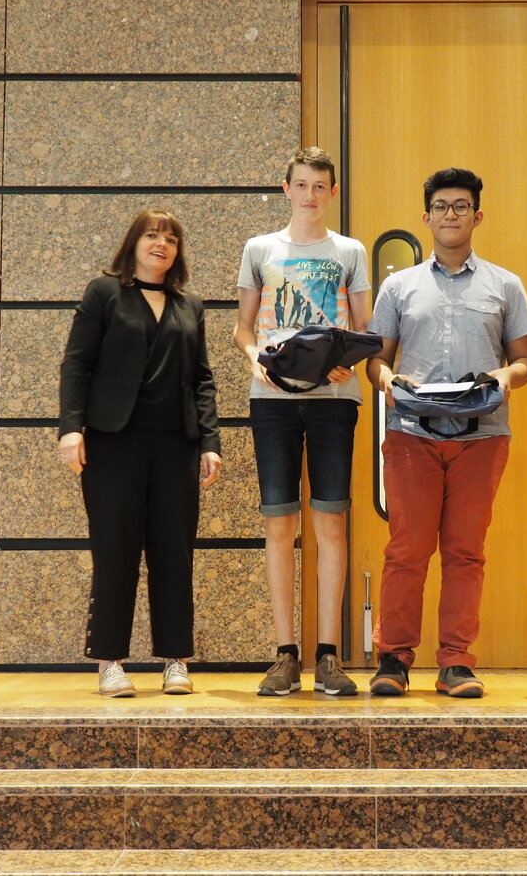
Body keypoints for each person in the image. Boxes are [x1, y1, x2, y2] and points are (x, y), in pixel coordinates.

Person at [365, 167, 527, 698]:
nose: (450, 215)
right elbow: (376, 361)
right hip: (410, 433)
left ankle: (456, 663)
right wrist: (388, 381)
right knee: (406, 550)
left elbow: (526, 361)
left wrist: (505, 376)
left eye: (461, 206)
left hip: (482, 436)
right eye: (441, 206)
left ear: (477, 216)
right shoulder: (398, 286)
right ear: (426, 216)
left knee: (465, 552)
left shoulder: (506, 285)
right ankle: (393, 659)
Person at [58, 208, 221, 697]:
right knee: (115, 550)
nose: (161, 244)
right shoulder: (104, 292)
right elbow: (76, 364)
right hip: (113, 442)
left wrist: (209, 442)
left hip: (176, 444)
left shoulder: (190, 304)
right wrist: (71, 430)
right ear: (134, 243)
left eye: (171, 238)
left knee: (174, 553)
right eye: (152, 235)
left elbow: (202, 378)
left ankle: (176, 661)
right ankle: (110, 662)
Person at [233, 147, 371, 696]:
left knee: (331, 522)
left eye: (320, 186)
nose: (310, 194)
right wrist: (256, 360)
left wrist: (350, 360)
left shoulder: (350, 251)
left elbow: (364, 327)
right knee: (279, 524)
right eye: (302, 184)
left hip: (335, 398)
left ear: (332, 192)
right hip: (272, 401)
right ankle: (285, 655)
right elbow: (243, 327)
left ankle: (328, 656)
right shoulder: (259, 248)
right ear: (285, 188)